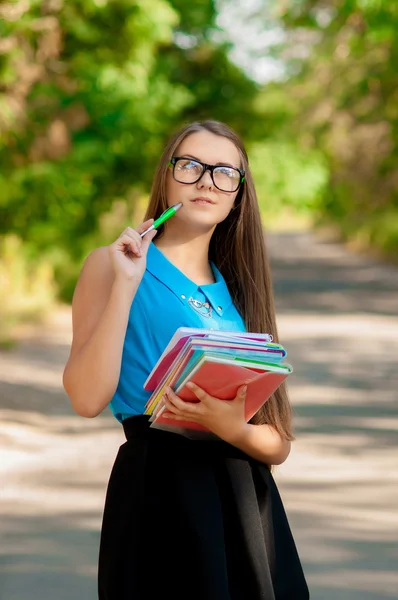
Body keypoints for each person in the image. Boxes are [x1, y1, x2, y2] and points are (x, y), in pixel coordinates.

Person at [62, 120, 310, 600]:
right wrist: (126, 285)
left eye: (225, 173)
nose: (206, 181)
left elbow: (278, 443)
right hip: (159, 488)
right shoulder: (112, 263)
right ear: (166, 177)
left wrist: (231, 426)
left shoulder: (239, 287)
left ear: (239, 194)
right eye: (191, 165)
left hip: (244, 501)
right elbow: (87, 398)